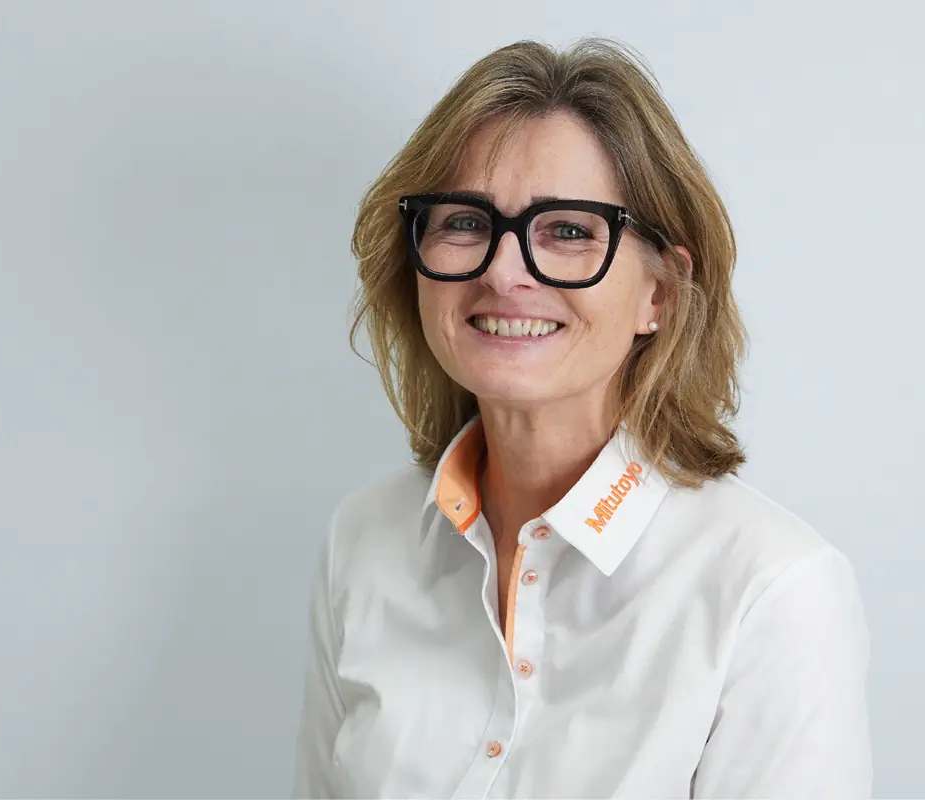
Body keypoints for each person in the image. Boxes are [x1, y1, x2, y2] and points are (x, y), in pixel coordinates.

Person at [294, 37, 871, 799]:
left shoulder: (769, 590)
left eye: (568, 230)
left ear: (659, 293)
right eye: (464, 221)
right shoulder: (364, 541)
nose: (503, 272)